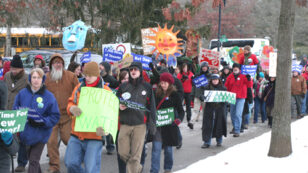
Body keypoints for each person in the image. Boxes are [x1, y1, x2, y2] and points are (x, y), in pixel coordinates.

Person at [65, 61, 111, 173]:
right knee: (70, 164)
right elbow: (70, 103)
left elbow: (111, 114)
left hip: (95, 136)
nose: (87, 78)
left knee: (91, 169)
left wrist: (106, 128)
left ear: (97, 75)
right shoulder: (78, 88)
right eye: (85, 75)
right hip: (76, 134)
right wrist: (71, 109)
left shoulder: (105, 91)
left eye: (90, 75)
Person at [13, 68, 60, 173]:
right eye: (34, 77)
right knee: (33, 160)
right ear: (30, 79)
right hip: (25, 134)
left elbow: (55, 116)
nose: (36, 80)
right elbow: (15, 109)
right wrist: (19, 119)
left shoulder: (49, 96)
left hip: (41, 134)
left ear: (42, 79)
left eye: (39, 78)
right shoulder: (22, 93)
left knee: (33, 160)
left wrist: (42, 121)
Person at [116, 62, 156, 173]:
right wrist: (119, 106)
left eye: (135, 69)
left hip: (140, 125)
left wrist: (152, 125)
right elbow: (115, 101)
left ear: (140, 71)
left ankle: (134, 168)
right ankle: (137, 168)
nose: (133, 71)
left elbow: (151, 106)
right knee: (122, 152)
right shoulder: (123, 86)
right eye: (131, 69)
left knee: (136, 156)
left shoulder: (147, 87)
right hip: (125, 124)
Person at [45, 53, 79, 173]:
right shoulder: (46, 78)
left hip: (67, 116)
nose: (58, 64)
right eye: (55, 62)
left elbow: (78, 92)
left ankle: (75, 161)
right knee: (51, 142)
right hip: (51, 116)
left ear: (63, 64)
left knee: (69, 140)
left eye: (60, 62)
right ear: (51, 65)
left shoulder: (71, 76)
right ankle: (54, 166)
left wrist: (76, 107)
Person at [150, 72, 184, 173]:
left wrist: (179, 120)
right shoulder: (156, 93)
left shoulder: (175, 95)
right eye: (161, 82)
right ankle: (154, 170)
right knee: (156, 149)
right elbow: (151, 107)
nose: (163, 84)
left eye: (165, 82)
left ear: (170, 83)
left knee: (168, 150)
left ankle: (168, 168)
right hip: (158, 127)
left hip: (170, 127)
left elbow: (181, 111)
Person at [4, 55, 28, 172]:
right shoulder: (7, 76)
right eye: (12, 68)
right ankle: (7, 161)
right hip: (6, 110)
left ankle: (21, 163)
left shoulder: (27, 78)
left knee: (21, 139)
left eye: (15, 69)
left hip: (20, 112)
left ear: (21, 69)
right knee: (8, 138)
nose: (13, 71)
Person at [225, 63, 252, 137]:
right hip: (232, 97)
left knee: (238, 114)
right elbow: (226, 86)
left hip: (241, 97)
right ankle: (235, 127)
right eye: (234, 68)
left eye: (236, 68)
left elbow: (249, 85)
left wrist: (249, 79)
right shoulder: (230, 76)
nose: (235, 69)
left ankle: (237, 130)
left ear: (239, 69)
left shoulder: (243, 76)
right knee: (232, 114)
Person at [199, 74, 227, 148]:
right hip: (209, 109)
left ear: (219, 80)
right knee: (208, 126)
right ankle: (207, 142)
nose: (215, 81)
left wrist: (225, 100)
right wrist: (202, 97)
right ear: (211, 80)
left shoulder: (223, 88)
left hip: (219, 109)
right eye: (213, 80)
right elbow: (202, 95)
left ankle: (219, 141)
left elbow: (226, 99)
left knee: (219, 125)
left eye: (216, 79)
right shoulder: (206, 88)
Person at [177, 63, 194, 129]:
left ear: (187, 68)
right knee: (179, 105)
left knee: (188, 107)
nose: (184, 69)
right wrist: (182, 79)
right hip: (181, 92)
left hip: (188, 92)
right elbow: (178, 83)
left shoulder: (191, 74)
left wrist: (193, 79)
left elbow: (193, 83)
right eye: (183, 68)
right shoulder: (180, 74)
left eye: (185, 67)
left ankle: (189, 120)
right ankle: (178, 119)